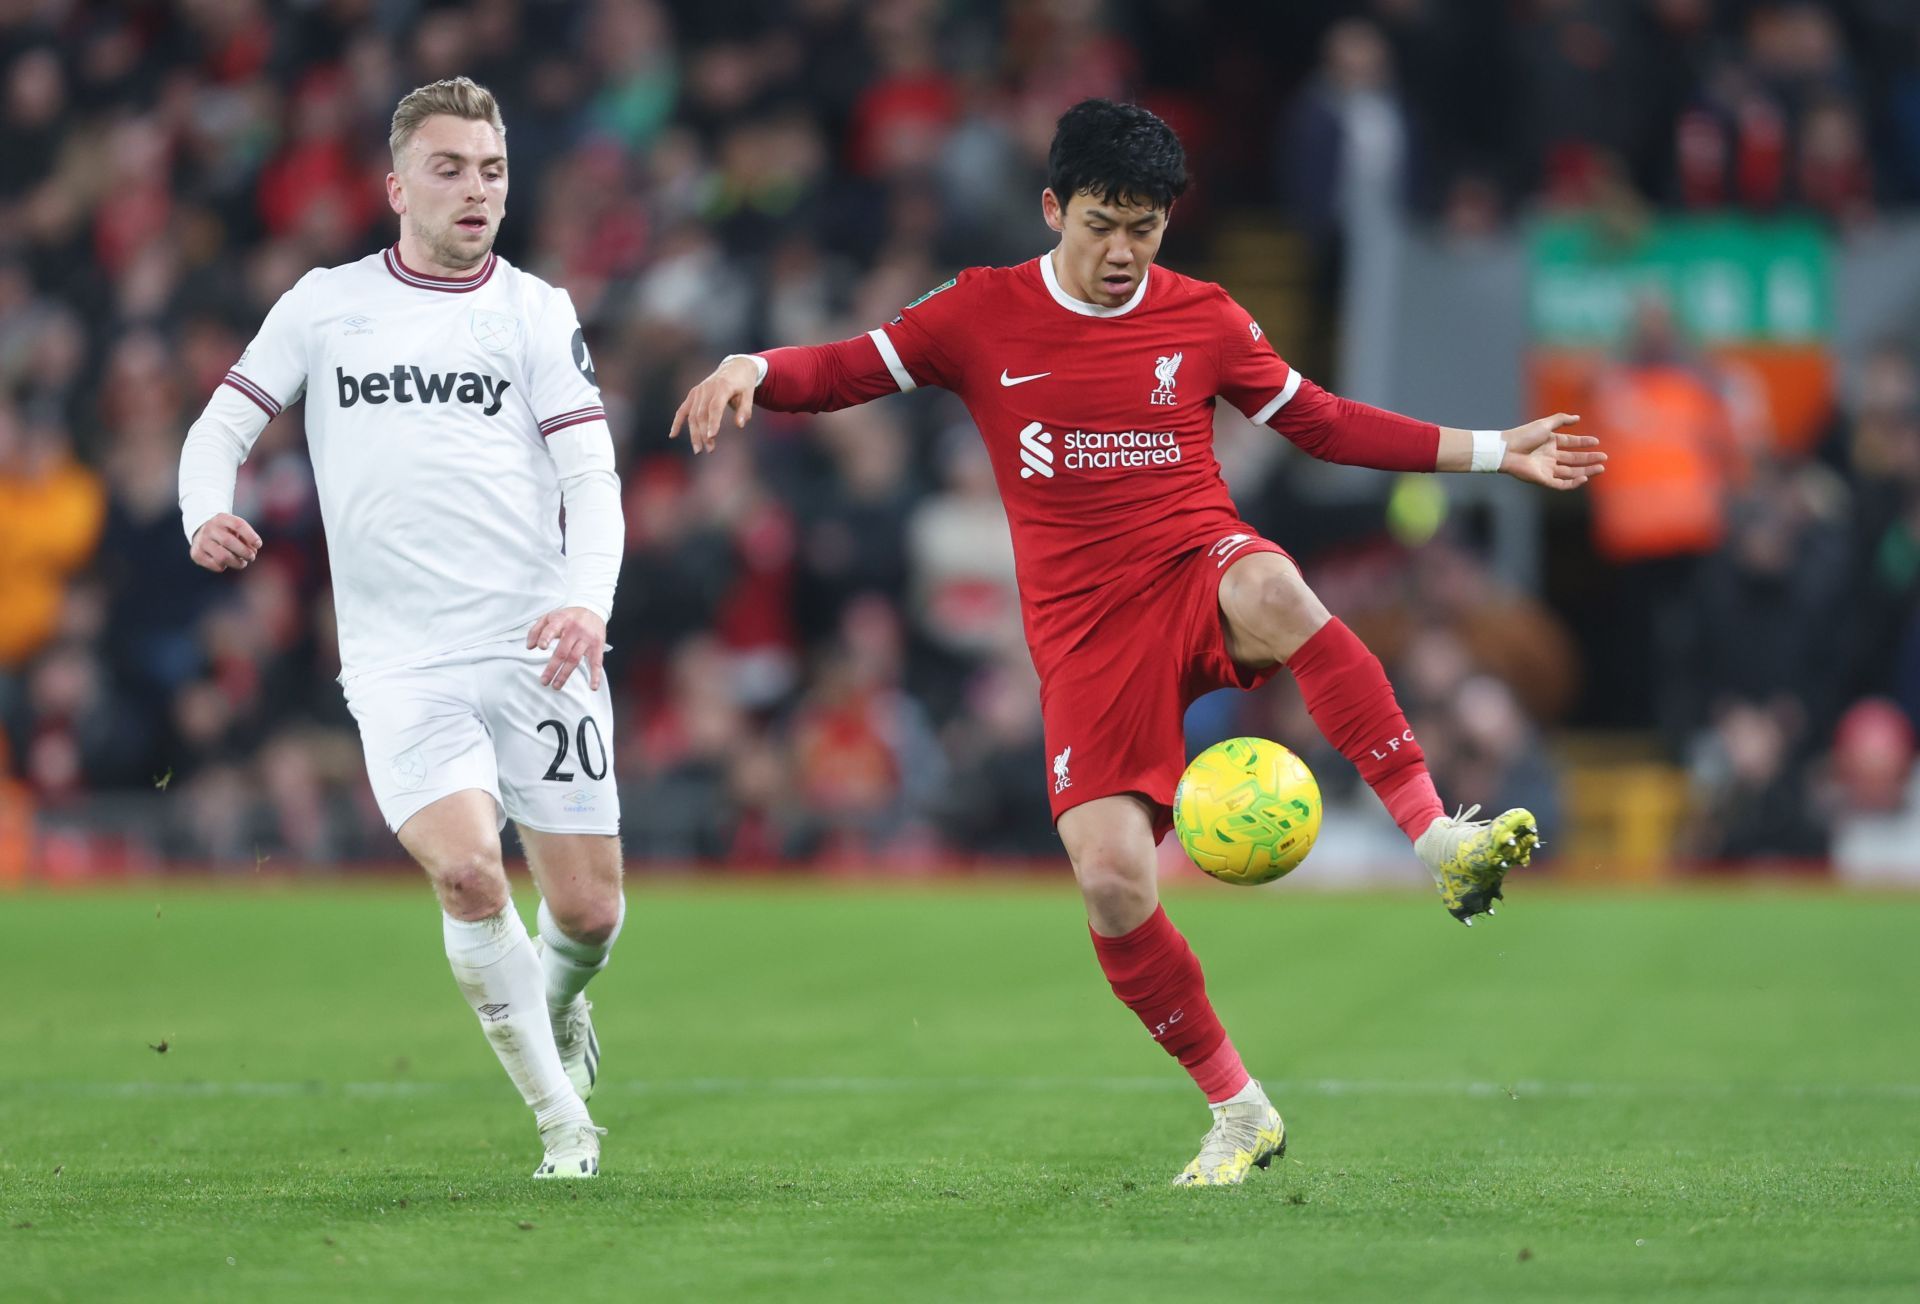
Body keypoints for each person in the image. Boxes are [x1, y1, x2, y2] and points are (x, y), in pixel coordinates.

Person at [671, 99, 1604, 1186]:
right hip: (1084, 636)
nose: (1123, 252)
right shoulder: (980, 312)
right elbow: (849, 367)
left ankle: (1438, 837)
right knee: (1114, 883)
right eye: (1103, 224)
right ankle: (1239, 1108)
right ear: (1052, 207)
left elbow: (1323, 419)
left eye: (1147, 229)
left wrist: (1497, 450)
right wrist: (754, 365)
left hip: (1195, 565)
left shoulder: (1204, 316)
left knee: (1277, 583)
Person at [177, 78, 625, 1180]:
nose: (478, 190)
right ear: (396, 185)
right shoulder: (325, 304)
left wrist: (586, 600)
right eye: (451, 168)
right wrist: (206, 511)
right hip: (400, 662)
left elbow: (593, 475)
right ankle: (564, 1121)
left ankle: (557, 1000)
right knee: (472, 874)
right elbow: (219, 425)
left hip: (537, 648)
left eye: (493, 170)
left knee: (589, 908)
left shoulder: (533, 309)